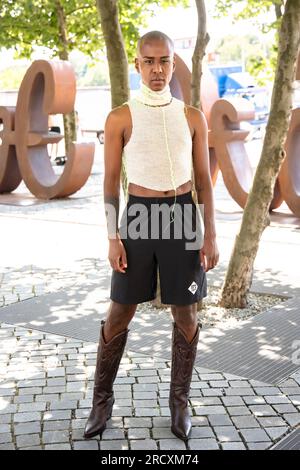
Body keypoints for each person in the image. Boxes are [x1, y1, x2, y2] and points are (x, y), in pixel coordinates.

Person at [84, 30, 219, 442]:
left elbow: (204, 182)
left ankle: (180, 404)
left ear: (173, 63)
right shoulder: (120, 116)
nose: (157, 69)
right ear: (138, 65)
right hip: (138, 217)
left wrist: (210, 234)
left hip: (182, 217)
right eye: (149, 61)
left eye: (164, 61)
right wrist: (112, 235)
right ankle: (100, 402)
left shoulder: (192, 116)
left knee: (186, 313)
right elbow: (109, 183)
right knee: (120, 311)